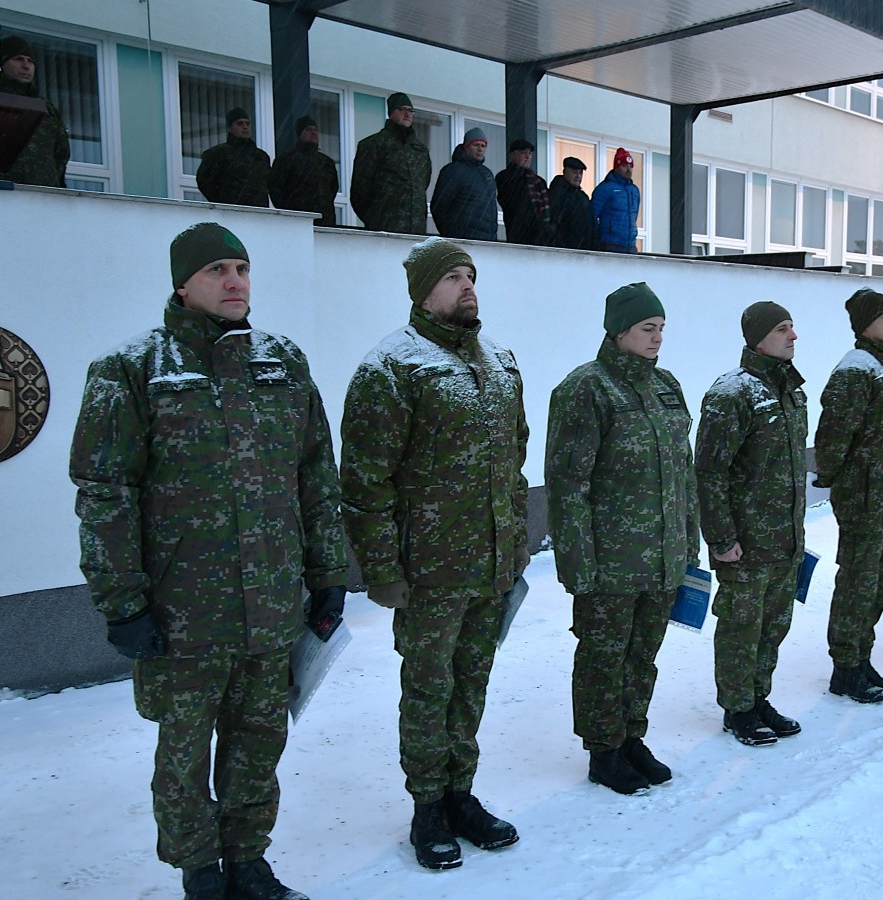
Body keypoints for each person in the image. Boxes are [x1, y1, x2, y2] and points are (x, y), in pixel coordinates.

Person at [69, 223, 347, 900]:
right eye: (218, 269)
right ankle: (200, 872)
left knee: (259, 741)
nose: (234, 282)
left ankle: (249, 862)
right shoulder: (133, 370)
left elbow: (316, 476)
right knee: (184, 752)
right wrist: (122, 602)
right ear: (182, 283)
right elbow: (105, 494)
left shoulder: (281, 362)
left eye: (243, 268)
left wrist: (329, 573)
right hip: (184, 611)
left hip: (272, 601)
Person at [341, 238, 527, 869]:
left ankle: (460, 794)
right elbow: (366, 480)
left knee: (471, 684)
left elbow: (515, 460)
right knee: (427, 687)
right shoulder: (391, 367)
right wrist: (383, 570)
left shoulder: (500, 362)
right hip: (429, 571)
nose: (468, 286)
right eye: (452, 277)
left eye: (471, 275)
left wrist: (518, 545)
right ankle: (426, 807)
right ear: (424, 290)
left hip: (491, 563)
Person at [545, 283, 698, 795]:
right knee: (602, 655)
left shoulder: (666, 386)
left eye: (660, 330)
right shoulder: (586, 389)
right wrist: (577, 564)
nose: (657, 339)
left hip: (661, 556)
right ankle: (603, 749)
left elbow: (683, 473)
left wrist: (687, 542)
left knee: (643, 654)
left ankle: (632, 736)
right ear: (618, 332)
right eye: (646, 329)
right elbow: (568, 484)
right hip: (610, 560)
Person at [695, 302, 808, 746]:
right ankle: (737, 708)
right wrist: (722, 538)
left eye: (792, 328)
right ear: (757, 337)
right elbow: (709, 472)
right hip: (745, 543)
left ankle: (759, 697)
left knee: (773, 625)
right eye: (782, 329)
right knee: (741, 627)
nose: (793, 337)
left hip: (784, 539)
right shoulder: (732, 394)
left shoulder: (790, 391)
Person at [814, 287, 883, 704]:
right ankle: (845, 667)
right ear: (865, 324)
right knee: (857, 584)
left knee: (879, 585)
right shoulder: (856, 371)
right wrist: (849, 484)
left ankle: (862, 657)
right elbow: (832, 442)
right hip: (865, 502)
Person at [0, 35, 69, 187]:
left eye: (30, 61)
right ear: (3, 63)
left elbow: (61, 153)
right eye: (18, 59)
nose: (26, 66)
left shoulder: (46, 107)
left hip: (44, 194)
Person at [349, 92, 432, 234]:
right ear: (391, 112)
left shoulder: (420, 150)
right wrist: (375, 219)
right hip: (385, 227)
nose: (407, 114)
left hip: (416, 228)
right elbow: (360, 189)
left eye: (410, 110)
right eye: (402, 109)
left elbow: (423, 183)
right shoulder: (374, 144)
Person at [268, 115, 338, 226]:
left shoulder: (326, 162)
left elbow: (332, 190)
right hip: (297, 221)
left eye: (316, 130)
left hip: (325, 220)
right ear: (300, 133)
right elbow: (275, 189)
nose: (314, 133)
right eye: (309, 130)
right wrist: (291, 210)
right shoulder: (286, 159)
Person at [429, 128, 498, 241]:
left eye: (483, 145)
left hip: (487, 241)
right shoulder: (453, 170)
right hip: (463, 240)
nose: (480, 149)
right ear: (466, 147)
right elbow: (439, 206)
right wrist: (452, 233)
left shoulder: (487, 173)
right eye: (476, 145)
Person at [196, 108, 271, 207]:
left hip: (259, 213)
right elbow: (204, 181)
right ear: (229, 128)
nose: (245, 127)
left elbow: (270, 183)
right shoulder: (218, 153)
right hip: (230, 212)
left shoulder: (261, 157)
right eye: (239, 124)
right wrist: (222, 202)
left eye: (247, 124)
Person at [495, 138, 555, 245]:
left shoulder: (538, 181)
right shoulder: (504, 177)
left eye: (530, 153)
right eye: (523, 153)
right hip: (517, 234)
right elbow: (507, 201)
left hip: (539, 237)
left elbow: (546, 211)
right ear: (513, 155)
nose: (528, 157)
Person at [591, 147, 640, 253]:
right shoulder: (605, 188)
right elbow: (592, 216)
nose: (629, 170)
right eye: (624, 166)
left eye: (631, 166)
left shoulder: (634, 191)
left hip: (630, 245)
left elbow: (633, 216)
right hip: (610, 244)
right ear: (616, 168)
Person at [548, 156, 597, 250]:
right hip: (565, 251)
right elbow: (553, 224)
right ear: (565, 172)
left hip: (582, 250)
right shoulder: (557, 194)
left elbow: (590, 225)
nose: (578, 176)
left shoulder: (582, 197)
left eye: (580, 173)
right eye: (574, 172)